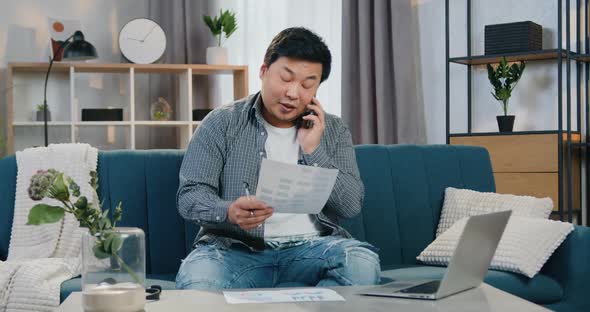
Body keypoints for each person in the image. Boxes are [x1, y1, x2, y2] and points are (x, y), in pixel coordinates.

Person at [176, 27, 380, 289]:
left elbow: (351, 206)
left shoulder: (334, 129)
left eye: (307, 84)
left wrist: (313, 150)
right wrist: (228, 211)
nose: (293, 93)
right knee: (198, 280)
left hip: (312, 249)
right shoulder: (221, 123)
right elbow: (190, 196)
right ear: (263, 71)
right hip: (233, 251)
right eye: (285, 78)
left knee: (361, 262)